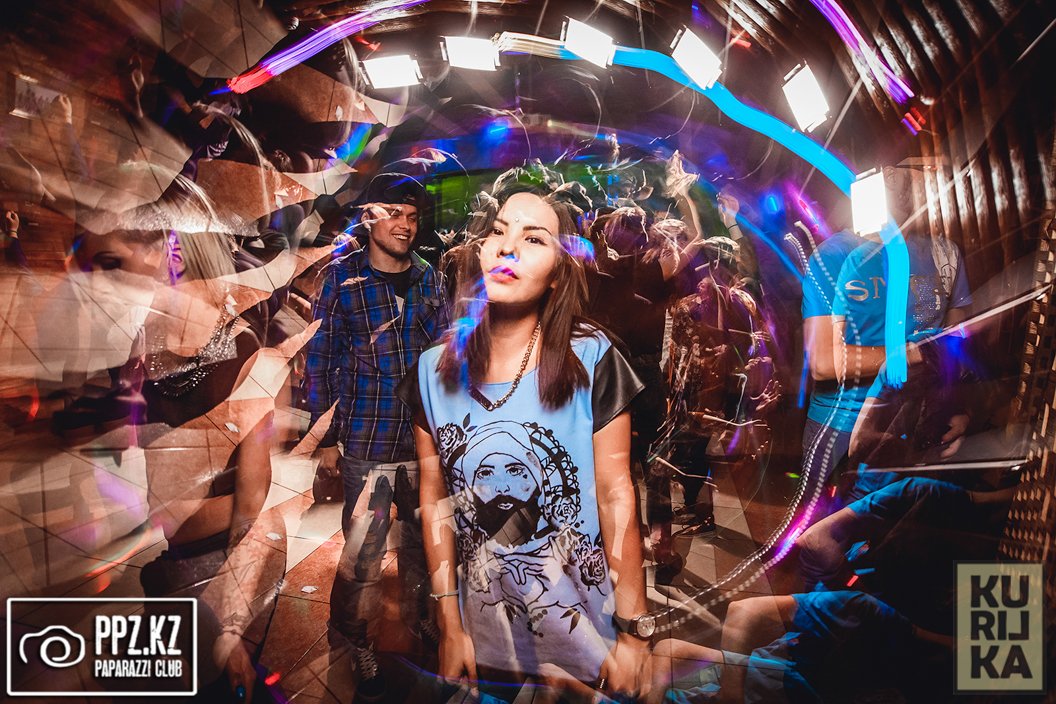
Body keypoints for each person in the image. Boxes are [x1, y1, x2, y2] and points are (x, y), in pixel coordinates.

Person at [403, 188, 651, 700]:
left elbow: (615, 495)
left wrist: (634, 631)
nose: (507, 247)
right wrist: (449, 625)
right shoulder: (431, 371)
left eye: (533, 239)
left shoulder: (592, 359)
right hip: (486, 637)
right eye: (498, 231)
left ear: (558, 273)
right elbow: (434, 497)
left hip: (588, 635)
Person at [303, 172, 450, 701]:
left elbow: (446, 358)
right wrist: (324, 438)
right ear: (369, 218)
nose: (405, 226)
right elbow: (319, 359)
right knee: (362, 557)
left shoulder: (431, 278)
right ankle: (354, 639)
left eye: (412, 217)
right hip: (367, 441)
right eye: (394, 215)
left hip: (424, 445)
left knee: (421, 547)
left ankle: (418, 619)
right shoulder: (342, 281)